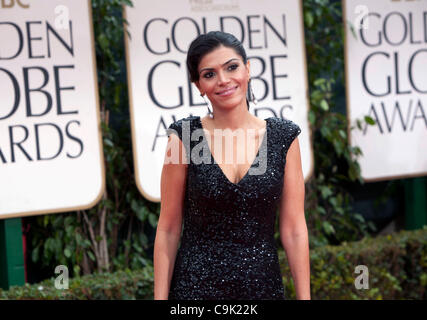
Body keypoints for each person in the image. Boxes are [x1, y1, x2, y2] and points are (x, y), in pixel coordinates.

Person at [153, 31, 310, 300]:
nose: (223, 80)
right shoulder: (184, 138)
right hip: (195, 291)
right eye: (209, 74)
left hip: (263, 289)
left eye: (232, 67)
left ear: (247, 70)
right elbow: (168, 229)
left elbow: (294, 229)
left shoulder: (283, 138)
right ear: (198, 85)